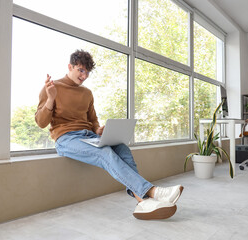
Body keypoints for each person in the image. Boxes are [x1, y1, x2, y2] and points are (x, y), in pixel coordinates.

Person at [35, 49, 183, 220]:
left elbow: (92, 121)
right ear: (70, 66)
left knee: (122, 149)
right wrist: (50, 99)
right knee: (104, 153)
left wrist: (98, 130)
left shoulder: (87, 93)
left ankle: (142, 202)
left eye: (87, 72)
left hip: (88, 137)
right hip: (66, 139)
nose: (84, 76)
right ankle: (153, 192)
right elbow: (41, 122)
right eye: (81, 70)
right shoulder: (52, 89)